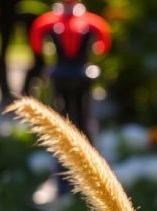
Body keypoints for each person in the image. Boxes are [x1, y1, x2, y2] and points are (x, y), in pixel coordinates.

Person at [29, 0, 109, 133]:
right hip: (79, 73)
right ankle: (83, 139)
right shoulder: (93, 21)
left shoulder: (49, 21)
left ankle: (76, 140)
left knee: (67, 114)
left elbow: (36, 43)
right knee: (79, 114)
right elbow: (103, 44)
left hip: (63, 73)